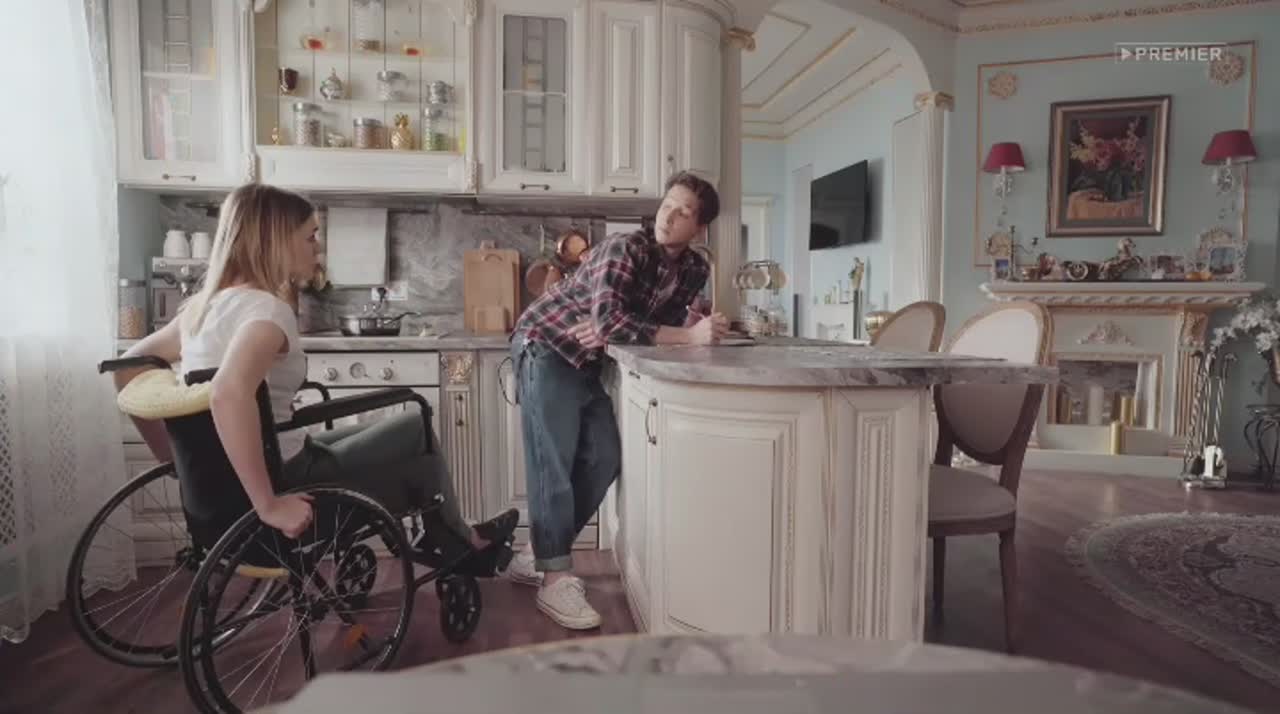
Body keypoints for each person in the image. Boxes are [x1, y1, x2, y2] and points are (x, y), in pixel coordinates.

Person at [114, 183, 516, 568]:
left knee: (393, 435)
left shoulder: (200, 310)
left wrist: (176, 460)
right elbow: (228, 393)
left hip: (227, 479)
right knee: (417, 425)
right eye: (310, 237)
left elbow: (127, 368)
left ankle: (456, 535)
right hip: (286, 474)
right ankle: (461, 541)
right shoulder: (265, 311)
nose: (318, 247)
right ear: (275, 241)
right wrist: (268, 505)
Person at [508, 171, 729, 629]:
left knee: (604, 457)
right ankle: (554, 578)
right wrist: (681, 335)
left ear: (700, 227)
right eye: (667, 205)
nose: (669, 216)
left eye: (684, 212)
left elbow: (639, 328)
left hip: (587, 359)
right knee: (553, 460)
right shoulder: (624, 248)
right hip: (547, 343)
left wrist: (680, 328)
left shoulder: (695, 270)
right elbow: (614, 323)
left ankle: (536, 553)